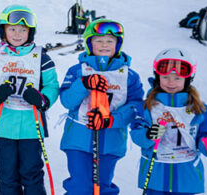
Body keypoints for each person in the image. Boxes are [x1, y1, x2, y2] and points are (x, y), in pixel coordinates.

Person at [0, 5, 59, 195]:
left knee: (31, 174)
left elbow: (52, 85)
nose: (17, 34)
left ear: (30, 32)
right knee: (7, 174)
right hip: (4, 125)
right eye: (12, 29)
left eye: (23, 30)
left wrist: (42, 99)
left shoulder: (41, 57)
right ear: (3, 30)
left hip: (32, 127)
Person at [59, 18, 144, 195]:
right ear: (90, 44)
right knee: (80, 187)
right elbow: (67, 101)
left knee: (103, 187)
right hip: (78, 139)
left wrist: (110, 120)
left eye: (110, 41)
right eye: (98, 40)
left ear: (117, 44)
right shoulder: (77, 70)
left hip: (110, 141)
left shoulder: (130, 76)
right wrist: (84, 84)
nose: (104, 45)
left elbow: (135, 106)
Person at [131, 48, 207, 195]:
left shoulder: (200, 109)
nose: (171, 82)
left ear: (188, 79)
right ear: (157, 77)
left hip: (187, 175)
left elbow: (205, 136)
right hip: (155, 175)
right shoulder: (146, 107)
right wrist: (148, 135)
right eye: (165, 77)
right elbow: (137, 134)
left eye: (177, 78)